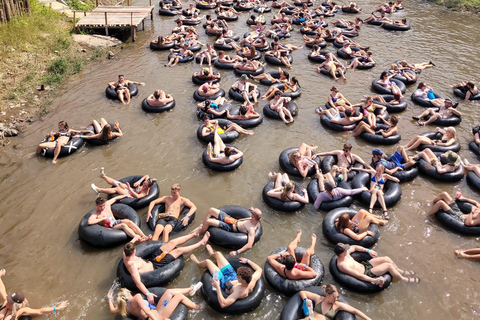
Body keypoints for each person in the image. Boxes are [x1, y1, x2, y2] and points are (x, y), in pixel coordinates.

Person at [122, 226, 210, 303]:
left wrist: (135, 238)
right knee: (179, 251)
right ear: (134, 251)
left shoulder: (125, 254)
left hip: (152, 259)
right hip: (156, 266)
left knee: (172, 242)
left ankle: (194, 235)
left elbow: (128, 245)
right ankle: (201, 243)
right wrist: (148, 294)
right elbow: (138, 283)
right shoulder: (132, 265)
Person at [190, 246, 262, 308]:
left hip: (224, 282)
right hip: (231, 275)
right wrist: (248, 261)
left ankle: (197, 262)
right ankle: (211, 253)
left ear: (243, 280)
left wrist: (217, 287)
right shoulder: (252, 279)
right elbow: (259, 270)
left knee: (207, 261)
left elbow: (223, 304)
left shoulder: (239, 292)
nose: (237, 277)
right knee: (218, 254)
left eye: (238, 277)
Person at [334, 243, 419, 286]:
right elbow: (358, 276)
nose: (347, 250)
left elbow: (354, 247)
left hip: (365, 265)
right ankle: (403, 279)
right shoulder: (342, 265)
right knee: (388, 266)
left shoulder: (346, 253)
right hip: (366, 273)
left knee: (387, 258)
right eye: (345, 250)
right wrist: (374, 280)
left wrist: (368, 250)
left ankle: (400, 271)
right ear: (341, 253)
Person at [0, 269, 69, 320]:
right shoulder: (6, 303)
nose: (7, 302)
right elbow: (2, 289)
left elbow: (40, 311)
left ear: (15, 306)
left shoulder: (22, 310)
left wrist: (57, 308)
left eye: (10, 302)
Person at [108, 286, 202, 320]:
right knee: (179, 296)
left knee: (169, 291)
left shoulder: (125, 306)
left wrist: (109, 299)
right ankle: (198, 307)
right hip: (157, 316)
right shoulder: (137, 297)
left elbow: (112, 310)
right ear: (128, 292)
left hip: (155, 312)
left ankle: (191, 289)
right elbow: (147, 312)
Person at [299, 284, 372, 320]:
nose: (336, 299)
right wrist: (306, 300)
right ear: (327, 295)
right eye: (334, 297)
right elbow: (302, 292)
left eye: (337, 297)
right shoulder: (319, 299)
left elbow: (354, 310)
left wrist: (368, 319)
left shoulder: (337, 305)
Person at [91, 169, 156, 201]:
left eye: (145, 186)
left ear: (148, 187)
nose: (143, 185)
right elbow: (146, 176)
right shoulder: (147, 181)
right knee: (119, 184)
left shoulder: (145, 192)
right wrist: (140, 181)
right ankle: (103, 176)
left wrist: (129, 188)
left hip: (131, 196)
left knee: (117, 189)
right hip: (132, 190)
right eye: (144, 183)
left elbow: (137, 196)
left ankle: (98, 190)